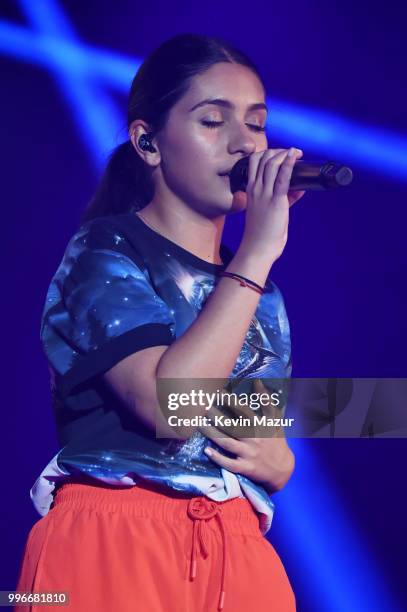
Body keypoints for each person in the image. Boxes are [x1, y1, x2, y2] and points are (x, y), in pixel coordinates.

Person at [16, 33, 305, 612]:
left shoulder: (258, 294)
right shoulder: (105, 252)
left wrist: (285, 456)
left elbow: (248, 413)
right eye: (211, 121)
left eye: (255, 123)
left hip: (237, 546)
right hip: (113, 541)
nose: (243, 144)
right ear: (149, 142)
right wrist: (255, 255)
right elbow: (173, 409)